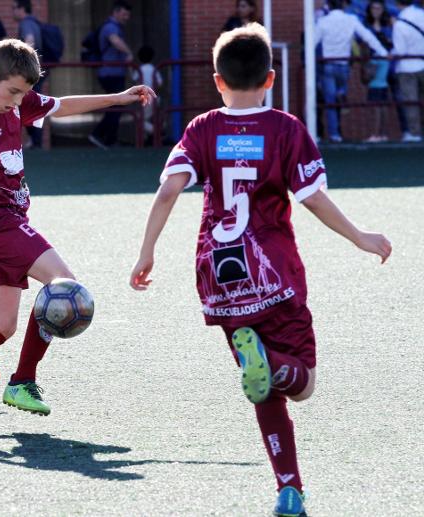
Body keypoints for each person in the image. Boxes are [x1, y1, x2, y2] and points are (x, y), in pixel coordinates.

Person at [129, 24, 391, 517]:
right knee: (302, 380)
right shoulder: (286, 129)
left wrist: (147, 251)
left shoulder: (202, 128)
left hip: (218, 272)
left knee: (263, 385)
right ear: (271, 78)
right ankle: (275, 375)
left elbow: (168, 191)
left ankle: (288, 488)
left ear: (218, 81)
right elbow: (312, 198)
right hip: (272, 270)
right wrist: (361, 237)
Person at [0, 38, 156, 430]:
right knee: (65, 285)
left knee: (0, 326)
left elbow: (63, 105)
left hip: (0, 222)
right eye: (13, 92)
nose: (19, 102)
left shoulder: (15, 101)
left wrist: (119, 98)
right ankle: (23, 380)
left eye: (24, 93)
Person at [315, 0, 388, 142]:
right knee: (340, 92)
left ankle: (335, 134)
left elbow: (312, 42)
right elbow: (368, 37)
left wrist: (307, 60)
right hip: (344, 65)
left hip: (328, 64)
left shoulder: (323, 21)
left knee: (330, 101)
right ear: (343, 5)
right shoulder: (351, 19)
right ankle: (341, 93)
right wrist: (383, 52)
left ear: (329, 6)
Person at [88, 1, 134, 150]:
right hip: (110, 73)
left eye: (128, 14)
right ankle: (100, 135)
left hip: (114, 73)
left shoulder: (114, 26)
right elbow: (115, 41)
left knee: (116, 105)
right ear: (116, 11)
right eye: (124, 13)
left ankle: (109, 138)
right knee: (116, 106)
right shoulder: (110, 27)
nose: (126, 17)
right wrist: (128, 53)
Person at [12, 0, 44, 148]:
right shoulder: (34, 22)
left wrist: (23, 63)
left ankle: (36, 141)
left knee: (28, 104)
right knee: (33, 104)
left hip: (29, 72)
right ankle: (35, 140)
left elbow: (30, 41)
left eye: (14, 8)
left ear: (21, 9)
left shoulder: (26, 24)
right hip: (34, 71)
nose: (13, 12)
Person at [393, 0, 424, 142]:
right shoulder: (421, 14)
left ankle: (414, 133)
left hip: (407, 67)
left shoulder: (399, 23)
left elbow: (400, 50)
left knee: (411, 102)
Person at [363, 0, 393, 142]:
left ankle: (380, 134)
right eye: (373, 8)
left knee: (381, 105)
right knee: (376, 105)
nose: (376, 11)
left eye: (379, 8)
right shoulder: (366, 26)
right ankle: (376, 133)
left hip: (384, 69)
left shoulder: (388, 25)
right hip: (373, 68)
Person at [130, 45, 162, 139]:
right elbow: (159, 83)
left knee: (139, 120)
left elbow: (134, 80)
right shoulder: (154, 68)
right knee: (148, 119)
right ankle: (148, 138)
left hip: (145, 98)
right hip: (155, 98)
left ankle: (156, 131)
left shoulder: (140, 69)